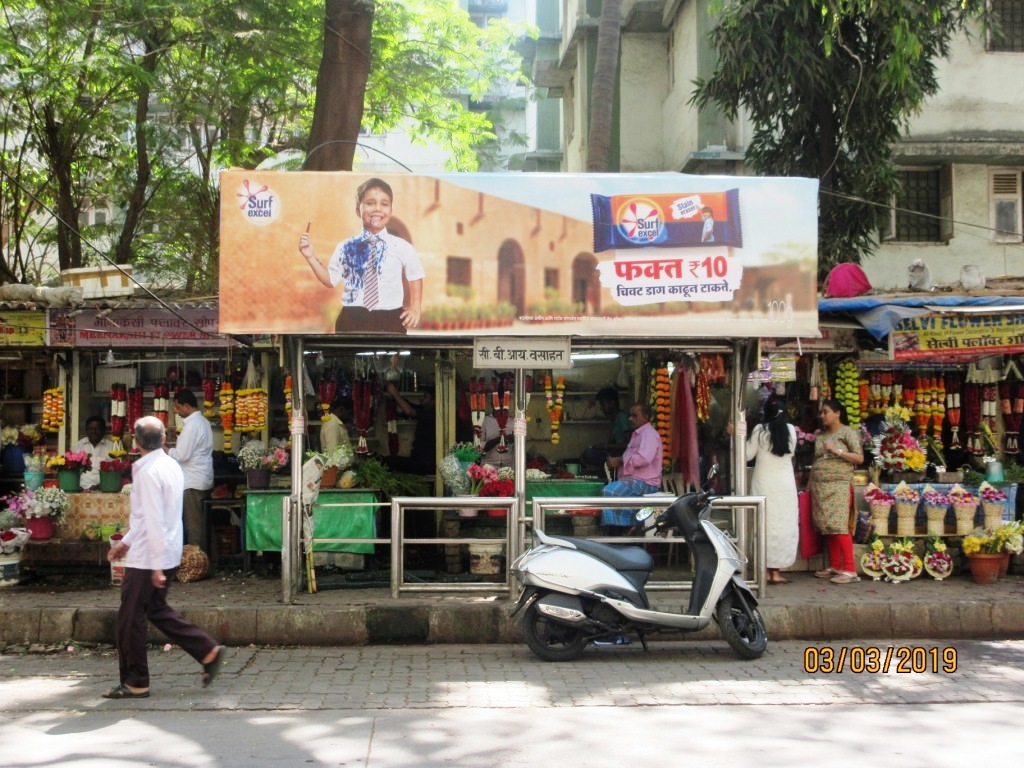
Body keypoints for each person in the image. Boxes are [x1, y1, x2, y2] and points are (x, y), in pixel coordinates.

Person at [103, 416, 225, 699]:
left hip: (150, 556)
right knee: (156, 610)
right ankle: (208, 651)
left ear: (135, 442)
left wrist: (154, 563)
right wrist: (127, 543)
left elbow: (153, 519)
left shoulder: (146, 471)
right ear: (164, 440)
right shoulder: (170, 464)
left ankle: (136, 681)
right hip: (166, 549)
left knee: (129, 618)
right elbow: (151, 517)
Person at [298, 177, 425, 334]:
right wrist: (310, 256)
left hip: (390, 318)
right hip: (352, 318)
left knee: (388, 358)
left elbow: (415, 276)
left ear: (390, 210)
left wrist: (415, 308)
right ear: (358, 210)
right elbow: (330, 280)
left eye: (384, 204)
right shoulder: (345, 247)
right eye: (370, 203)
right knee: (348, 358)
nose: (377, 209)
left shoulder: (402, 247)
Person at [741, 398, 798, 585]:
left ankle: (764, 571)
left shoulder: (760, 430)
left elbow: (747, 455)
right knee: (783, 526)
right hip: (785, 485)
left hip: (764, 484)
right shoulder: (791, 430)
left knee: (763, 525)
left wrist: (738, 436)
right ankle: (776, 572)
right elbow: (791, 452)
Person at [809, 399, 864, 585]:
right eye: (821, 413)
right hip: (820, 486)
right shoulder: (821, 437)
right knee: (827, 526)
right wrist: (810, 486)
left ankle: (850, 570)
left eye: (826, 412)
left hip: (839, 484)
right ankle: (835, 565)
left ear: (837, 413)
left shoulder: (848, 432)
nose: (822, 416)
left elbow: (859, 458)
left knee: (839, 525)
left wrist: (837, 450)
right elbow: (815, 461)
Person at [601, 402, 664, 529]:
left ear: (646, 417)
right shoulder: (638, 434)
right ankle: (630, 527)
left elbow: (644, 458)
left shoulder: (648, 434)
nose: (630, 419)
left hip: (645, 483)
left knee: (609, 491)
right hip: (635, 482)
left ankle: (622, 528)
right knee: (609, 491)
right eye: (630, 415)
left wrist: (620, 460)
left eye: (635, 416)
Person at [168, 389, 214, 553]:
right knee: (202, 523)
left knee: (193, 525)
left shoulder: (192, 425)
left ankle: (196, 563)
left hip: (192, 482)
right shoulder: (203, 422)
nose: (176, 411)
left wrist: (165, 449)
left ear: (186, 406)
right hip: (202, 479)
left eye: (178, 407)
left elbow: (182, 455)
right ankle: (206, 560)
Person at [383, 382, 436, 475]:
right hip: (418, 459)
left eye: (425, 397)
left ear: (433, 401)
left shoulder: (432, 415)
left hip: (425, 463)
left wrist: (394, 393)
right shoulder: (424, 410)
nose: (421, 399)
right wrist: (394, 397)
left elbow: (409, 411)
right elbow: (407, 406)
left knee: (389, 461)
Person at [580, 386, 631, 470]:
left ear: (612, 404)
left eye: (603, 404)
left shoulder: (622, 417)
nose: (601, 408)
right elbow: (612, 441)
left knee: (588, 454)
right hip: (614, 453)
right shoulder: (614, 419)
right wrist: (602, 447)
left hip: (622, 455)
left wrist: (606, 446)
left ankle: (599, 468)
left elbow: (628, 445)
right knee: (585, 455)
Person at [74, 416, 116, 490]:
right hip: (81, 490)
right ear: (86, 430)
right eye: (91, 429)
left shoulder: (112, 447)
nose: (94, 431)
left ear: (103, 430)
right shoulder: (78, 446)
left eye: (97, 429)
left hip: (105, 489)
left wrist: (101, 485)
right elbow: (71, 470)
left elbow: (116, 471)